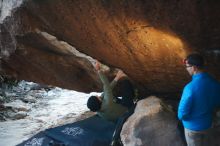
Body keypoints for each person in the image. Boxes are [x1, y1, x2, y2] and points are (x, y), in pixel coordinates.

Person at [178, 53, 220, 146]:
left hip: (192, 128)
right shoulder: (215, 83)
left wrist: (183, 119)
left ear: (194, 68)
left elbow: (181, 113)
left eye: (187, 66)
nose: (186, 69)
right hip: (207, 124)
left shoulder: (190, 88)